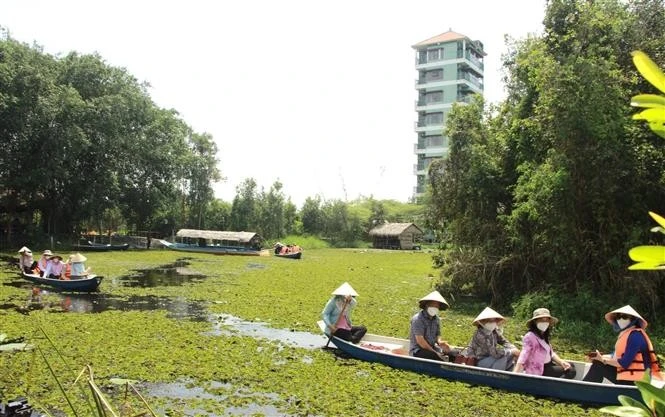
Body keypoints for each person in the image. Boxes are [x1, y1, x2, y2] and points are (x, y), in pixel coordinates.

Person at [583, 305, 661, 384]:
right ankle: (587, 389)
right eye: (618, 317)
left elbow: (624, 363)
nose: (620, 320)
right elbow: (615, 356)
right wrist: (598, 357)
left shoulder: (635, 337)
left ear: (633, 319)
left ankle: (584, 390)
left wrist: (602, 360)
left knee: (599, 364)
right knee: (598, 362)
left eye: (624, 317)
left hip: (637, 382)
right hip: (629, 376)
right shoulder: (628, 334)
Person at [514, 308, 576, 379]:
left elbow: (551, 353)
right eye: (541, 320)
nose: (544, 322)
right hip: (540, 368)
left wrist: (561, 362)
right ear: (535, 321)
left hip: (548, 365)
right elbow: (523, 356)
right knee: (571, 371)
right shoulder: (530, 336)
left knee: (571, 365)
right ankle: (553, 386)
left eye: (546, 320)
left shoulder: (543, 336)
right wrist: (515, 374)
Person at [409, 290, 459, 362]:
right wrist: (435, 352)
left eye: (437, 306)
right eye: (432, 305)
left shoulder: (436, 319)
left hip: (433, 347)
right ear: (427, 305)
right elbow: (420, 341)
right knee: (435, 356)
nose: (435, 307)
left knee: (455, 353)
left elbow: (438, 334)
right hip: (418, 350)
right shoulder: (418, 319)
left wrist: (440, 342)